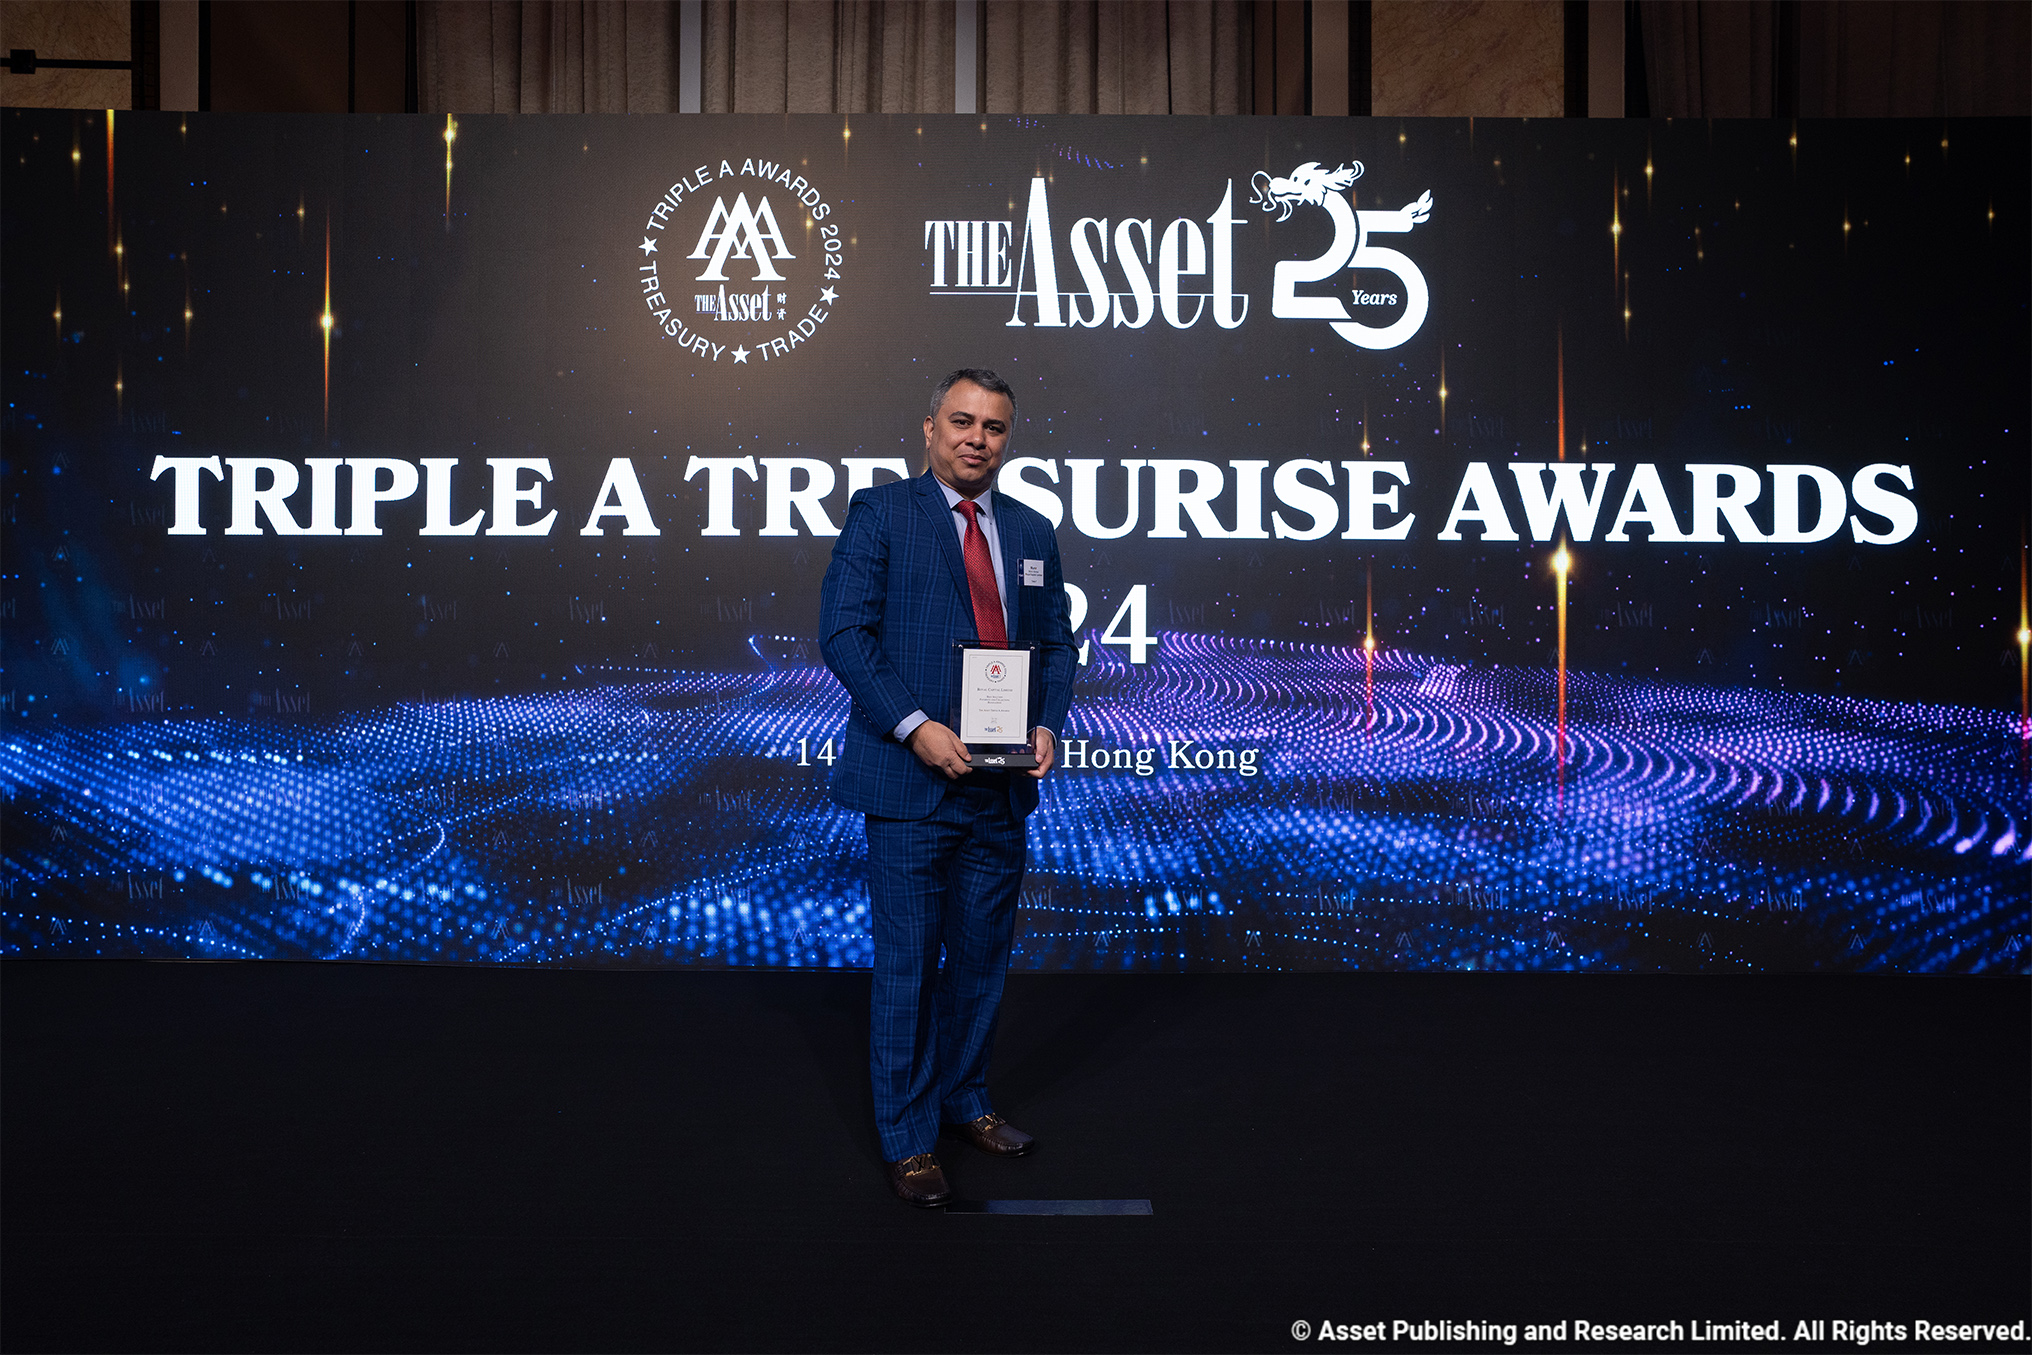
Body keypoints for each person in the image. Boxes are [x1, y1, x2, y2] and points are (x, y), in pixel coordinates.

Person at [818, 368, 1078, 1207]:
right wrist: (915, 726)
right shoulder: (882, 513)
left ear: (1008, 439)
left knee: (980, 963)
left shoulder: (1032, 530)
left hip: (998, 790)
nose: (977, 439)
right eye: (962, 422)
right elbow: (844, 634)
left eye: (993, 427)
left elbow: (1056, 646)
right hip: (910, 782)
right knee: (906, 968)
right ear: (929, 427)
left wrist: (1047, 725)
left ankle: (966, 1101)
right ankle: (908, 1137)